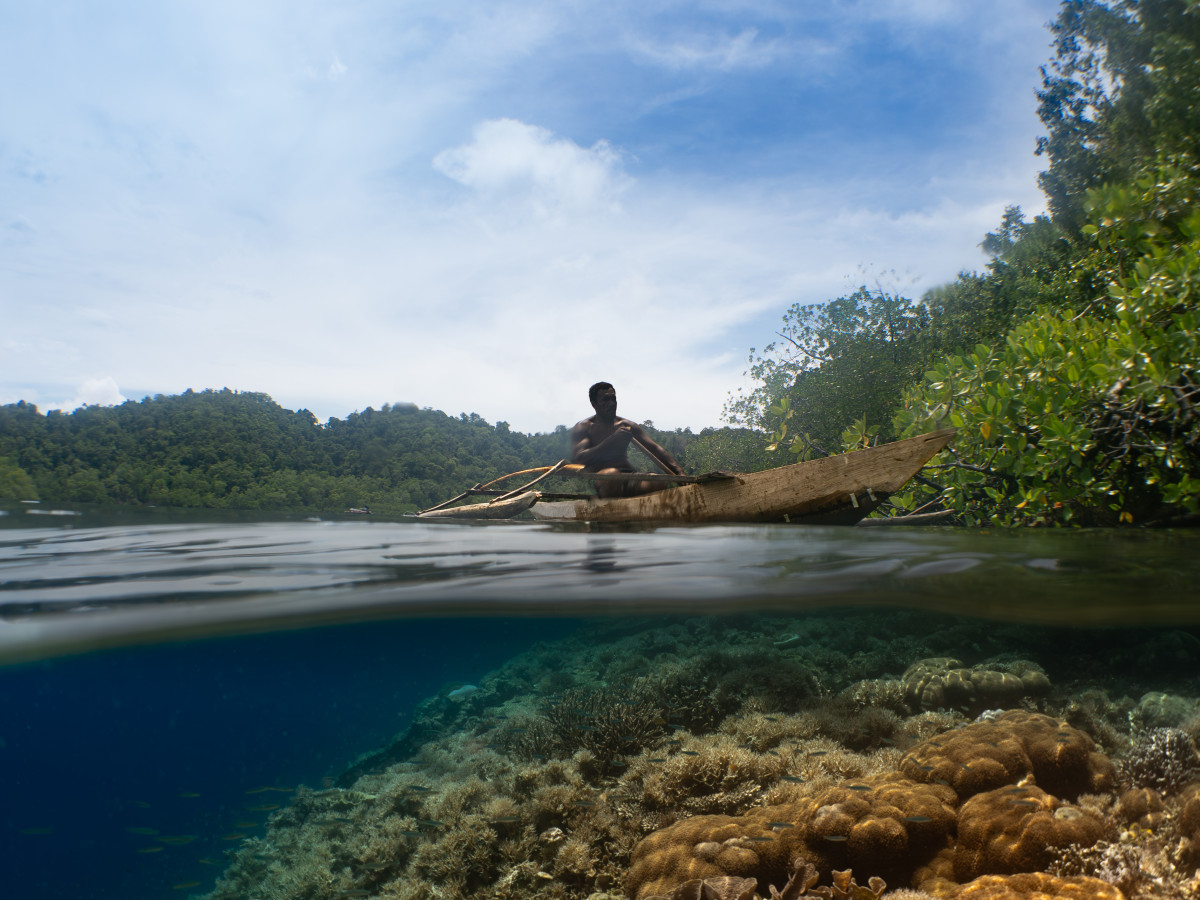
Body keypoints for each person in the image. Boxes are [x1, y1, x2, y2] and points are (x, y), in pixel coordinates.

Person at [570, 382, 686, 498]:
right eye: (605, 400)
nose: (611, 404)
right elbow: (580, 457)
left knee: (657, 481)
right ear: (594, 404)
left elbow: (655, 449)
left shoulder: (625, 425)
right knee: (611, 475)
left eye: (613, 399)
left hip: (629, 476)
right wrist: (612, 440)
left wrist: (679, 473)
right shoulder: (585, 427)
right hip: (599, 480)